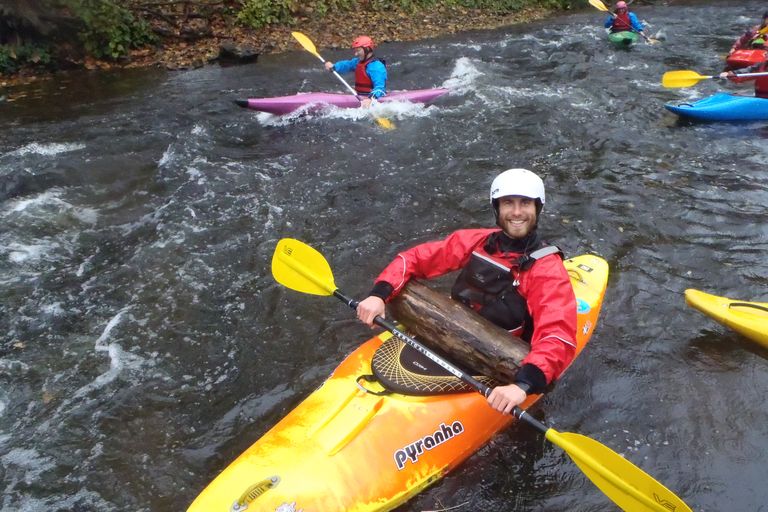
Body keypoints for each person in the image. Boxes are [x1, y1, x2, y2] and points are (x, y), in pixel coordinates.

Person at [355, 168, 577, 415]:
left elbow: (558, 335)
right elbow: (415, 258)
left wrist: (522, 385)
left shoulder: (546, 270)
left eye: (525, 203)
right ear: (497, 208)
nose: (516, 212)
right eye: (508, 203)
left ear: (538, 208)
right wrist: (379, 294)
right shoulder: (477, 242)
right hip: (451, 331)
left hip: (499, 359)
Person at [324, 35, 387, 108]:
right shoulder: (357, 62)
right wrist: (334, 66)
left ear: (367, 49)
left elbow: (380, 88)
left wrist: (371, 99)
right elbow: (346, 65)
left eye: (358, 50)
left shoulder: (376, 67)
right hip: (360, 94)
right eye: (355, 50)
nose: (356, 54)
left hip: (372, 98)